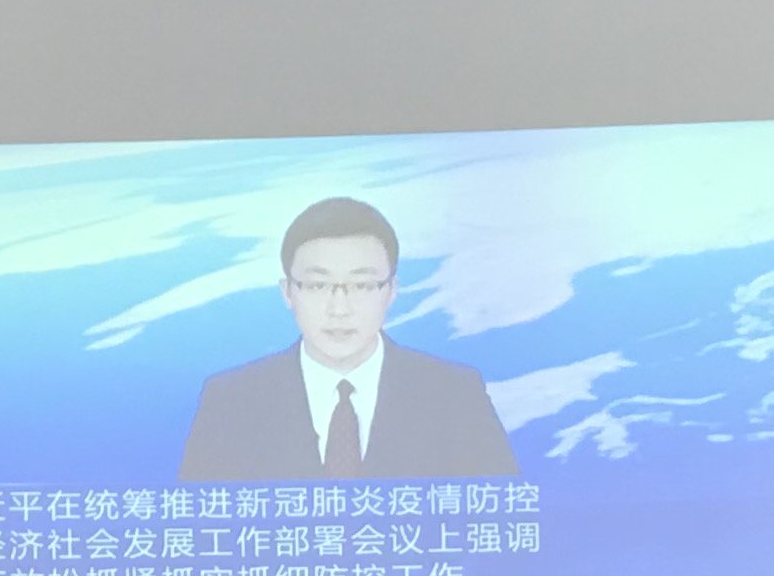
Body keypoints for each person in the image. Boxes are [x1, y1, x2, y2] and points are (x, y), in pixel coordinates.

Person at [177, 197, 520, 482]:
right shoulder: (231, 401)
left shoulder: (454, 394)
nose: (339, 308)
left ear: (391, 291)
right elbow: (198, 530)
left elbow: (501, 521)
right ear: (288, 292)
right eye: (318, 285)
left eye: (362, 285)